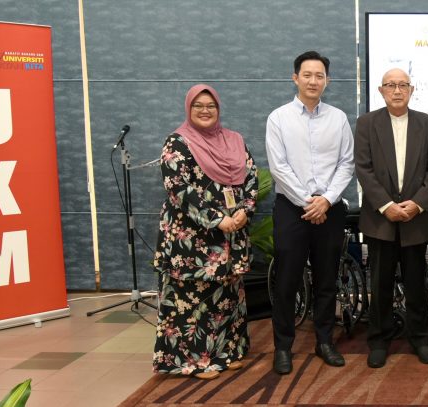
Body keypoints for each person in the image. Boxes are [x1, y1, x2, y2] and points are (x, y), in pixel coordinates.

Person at [152, 84, 257, 380]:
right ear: (189, 108)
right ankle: (193, 361)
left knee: (226, 297)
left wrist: (244, 210)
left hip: (231, 234)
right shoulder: (177, 143)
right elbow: (178, 190)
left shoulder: (234, 140)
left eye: (210, 105)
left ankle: (226, 353)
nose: (205, 110)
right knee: (191, 300)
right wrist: (216, 219)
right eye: (198, 105)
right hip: (192, 238)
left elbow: (250, 177)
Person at [266, 50, 354, 374]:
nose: (313, 81)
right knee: (287, 280)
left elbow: (347, 164)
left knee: (327, 279)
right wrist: (308, 201)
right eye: (307, 75)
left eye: (319, 76)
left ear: (327, 80)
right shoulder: (278, 118)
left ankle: (324, 341)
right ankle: (283, 347)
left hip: (329, 209)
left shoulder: (338, 118)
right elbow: (278, 167)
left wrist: (325, 200)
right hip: (292, 209)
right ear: (295, 78)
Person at [355, 68, 428, 368]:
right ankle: (379, 340)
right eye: (391, 85)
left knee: (417, 283)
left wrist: (417, 204)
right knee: (379, 283)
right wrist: (386, 205)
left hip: (415, 219)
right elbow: (363, 168)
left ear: (411, 90)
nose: (397, 90)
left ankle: (419, 338)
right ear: (381, 90)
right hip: (380, 219)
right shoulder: (367, 124)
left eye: (403, 85)